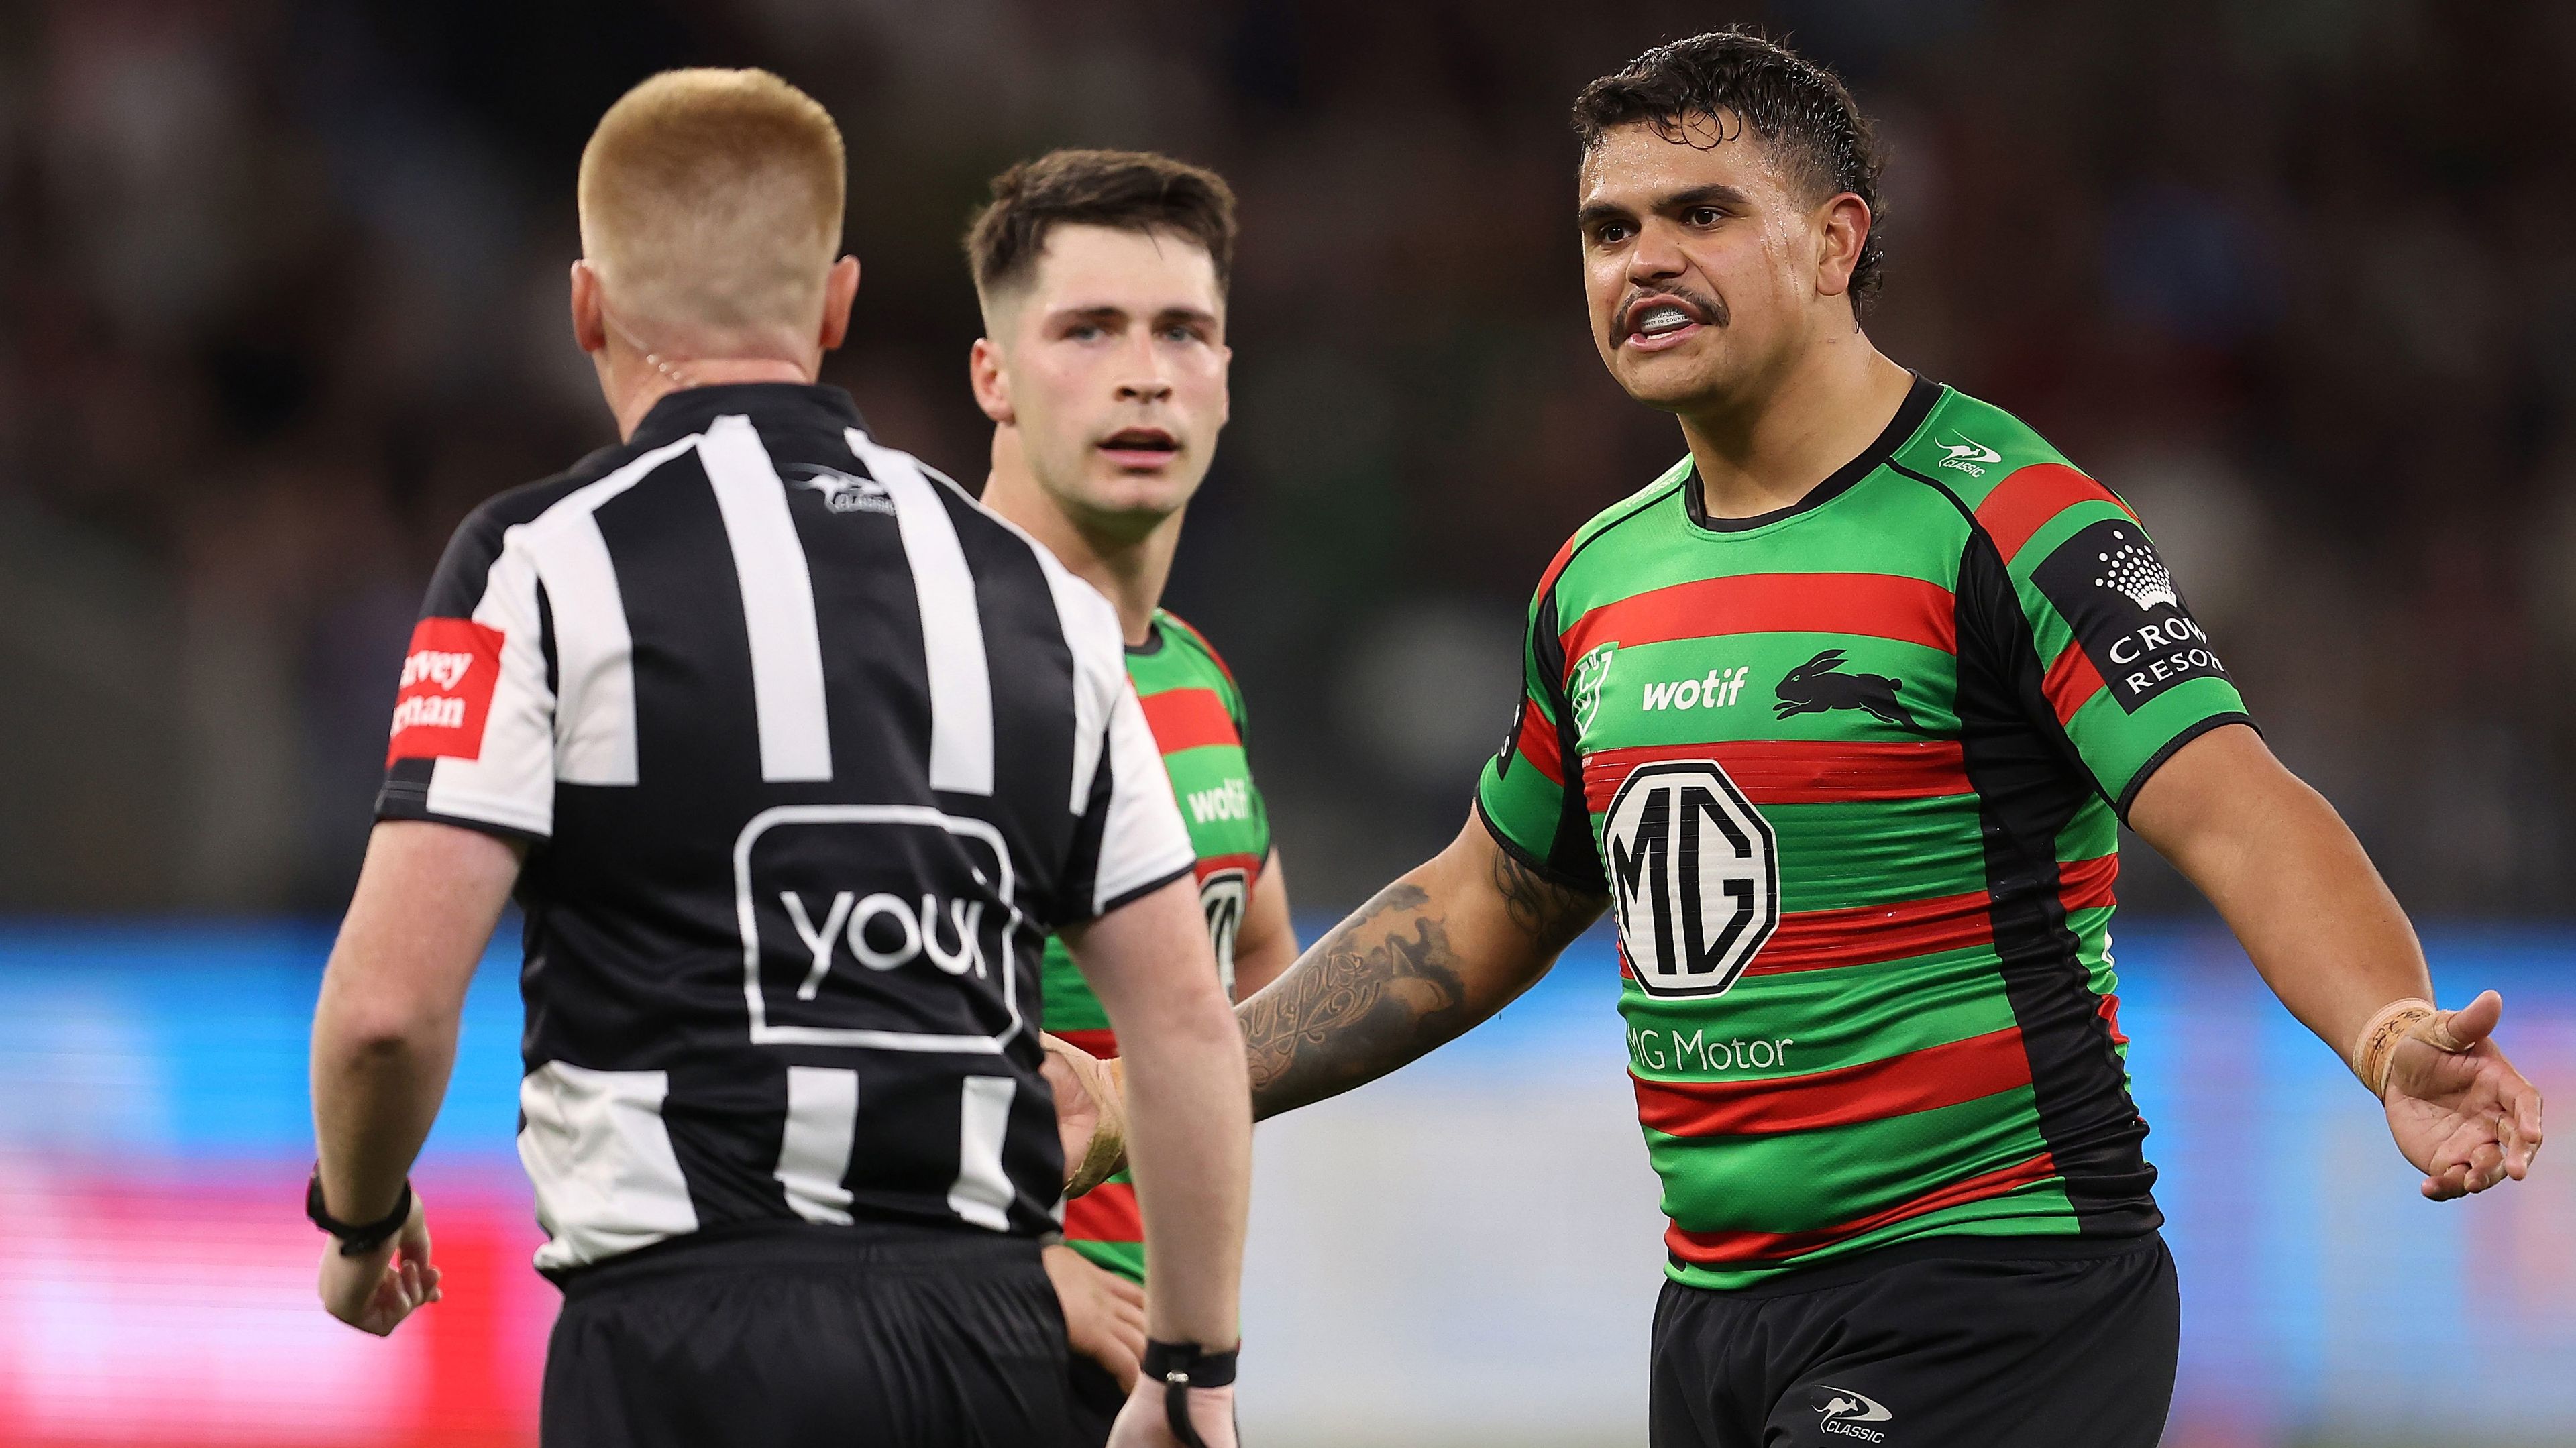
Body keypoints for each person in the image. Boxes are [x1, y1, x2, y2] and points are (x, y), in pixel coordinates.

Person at [1052, 29, 2544, 1448]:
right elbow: (1483, 904)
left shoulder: (2008, 518)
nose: (1643, 261)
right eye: (1608, 228)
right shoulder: (1597, 577)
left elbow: (2235, 804)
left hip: (1995, 1283)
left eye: (1700, 213)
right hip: (1715, 1310)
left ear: (1836, 243)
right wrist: (1149, 1093)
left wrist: (2386, 1031)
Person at [305, 69, 1248, 1448]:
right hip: (993, 1342)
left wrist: (362, 1216)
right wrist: (1190, 1368)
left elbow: (388, 1007)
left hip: (683, 1340)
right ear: (837, 302)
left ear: (585, 308)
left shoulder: (541, 561)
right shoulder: (1039, 594)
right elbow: (1183, 1024)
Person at [960, 148, 1295, 1444]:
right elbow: (770, 1022)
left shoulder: (1197, 674)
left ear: (1223, 381)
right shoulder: (920, 655)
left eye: (1183, 332)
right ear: (993, 374)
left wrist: (1190, 1320)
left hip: (1161, 1369)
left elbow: (1256, 966)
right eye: (1087, 329)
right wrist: (1018, 1259)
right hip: (967, 1349)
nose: (1144, 370)